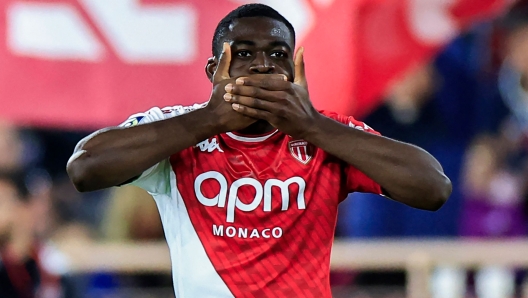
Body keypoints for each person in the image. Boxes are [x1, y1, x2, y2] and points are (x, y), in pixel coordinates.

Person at [66, 3, 452, 297]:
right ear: (213, 69)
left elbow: (434, 188)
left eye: (278, 54)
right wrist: (209, 120)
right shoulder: (178, 128)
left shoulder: (326, 134)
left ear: (295, 71)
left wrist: (312, 126)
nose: (263, 65)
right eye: (245, 53)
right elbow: (84, 168)